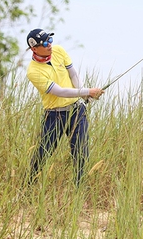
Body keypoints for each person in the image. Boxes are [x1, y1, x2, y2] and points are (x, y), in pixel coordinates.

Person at [25, 28, 104, 185]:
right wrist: (88, 91)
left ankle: (79, 191)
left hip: (76, 111)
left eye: (50, 40)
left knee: (81, 152)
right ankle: (27, 189)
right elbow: (59, 92)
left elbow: (73, 74)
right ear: (34, 49)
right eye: (45, 43)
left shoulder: (59, 51)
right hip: (54, 116)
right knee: (43, 154)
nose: (50, 45)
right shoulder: (33, 72)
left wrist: (83, 94)